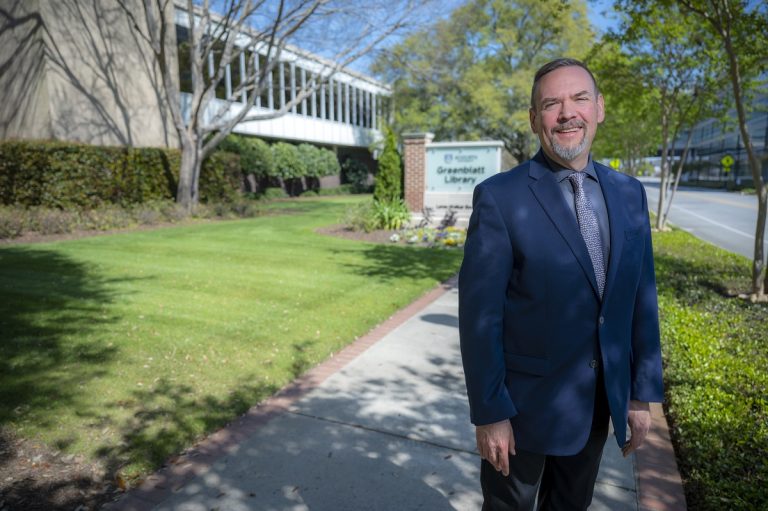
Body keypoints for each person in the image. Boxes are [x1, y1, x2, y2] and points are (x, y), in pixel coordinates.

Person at [458, 58, 664, 510]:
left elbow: (640, 300)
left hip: (594, 406)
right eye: (551, 104)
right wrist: (490, 413)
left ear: (600, 108)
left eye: (580, 99)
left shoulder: (630, 194)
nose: (567, 113)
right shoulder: (500, 197)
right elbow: (480, 317)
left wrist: (639, 393)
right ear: (535, 119)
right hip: (521, 412)